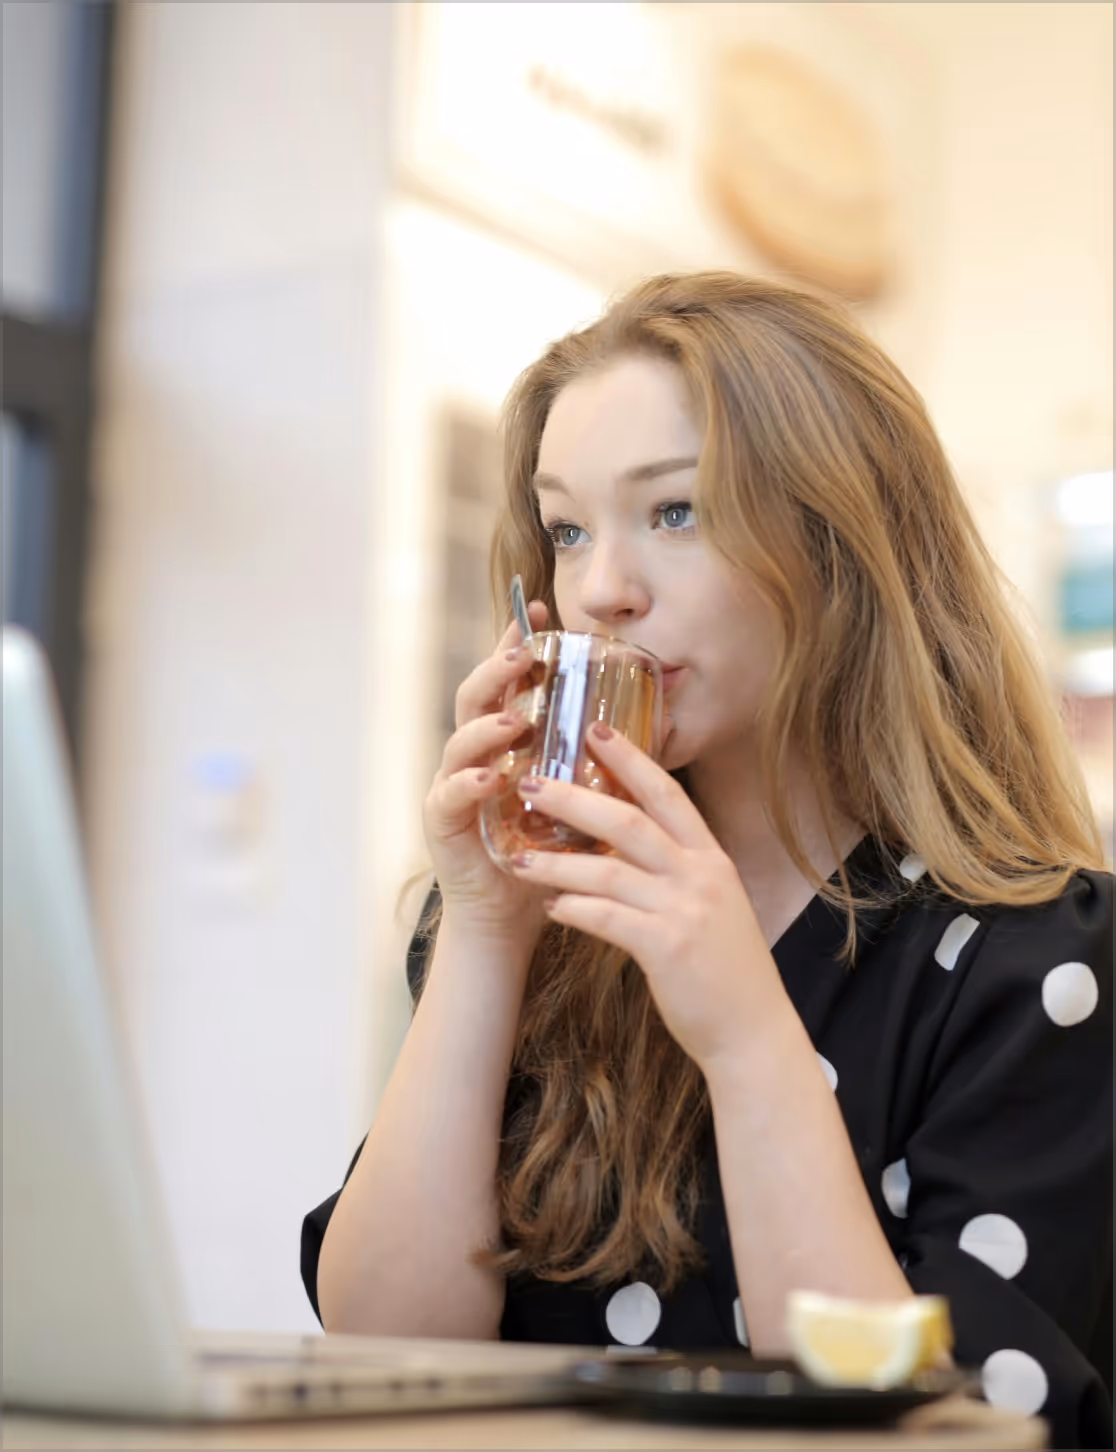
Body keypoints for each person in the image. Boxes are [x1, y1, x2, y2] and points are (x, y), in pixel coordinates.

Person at [301, 273, 1112, 1448]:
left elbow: (928, 1428)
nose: (599, 589)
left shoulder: (1033, 962)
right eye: (568, 528)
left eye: (673, 513)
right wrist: (483, 933)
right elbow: (384, 1345)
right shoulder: (538, 926)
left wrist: (743, 1031)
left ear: (840, 548)